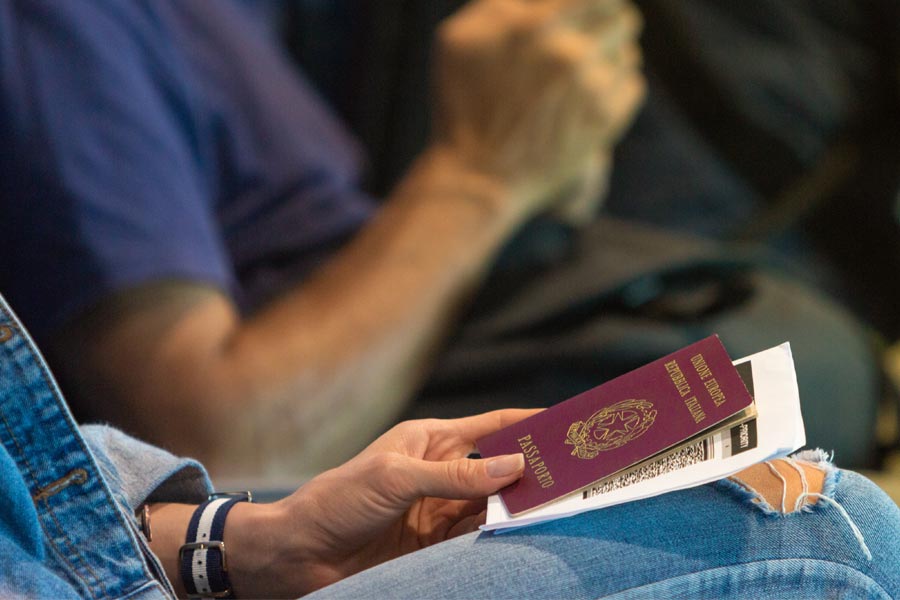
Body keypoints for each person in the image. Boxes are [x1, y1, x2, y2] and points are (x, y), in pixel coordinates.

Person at [0, 0, 645, 477]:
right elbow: (222, 447)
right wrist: (483, 176)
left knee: (727, 401)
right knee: (718, 425)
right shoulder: (63, 24)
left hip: (468, 350)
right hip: (374, 432)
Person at [1, 293, 899, 599]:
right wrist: (484, 175)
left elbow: (37, 497)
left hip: (107, 545)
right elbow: (227, 411)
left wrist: (236, 541)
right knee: (826, 535)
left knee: (784, 429)